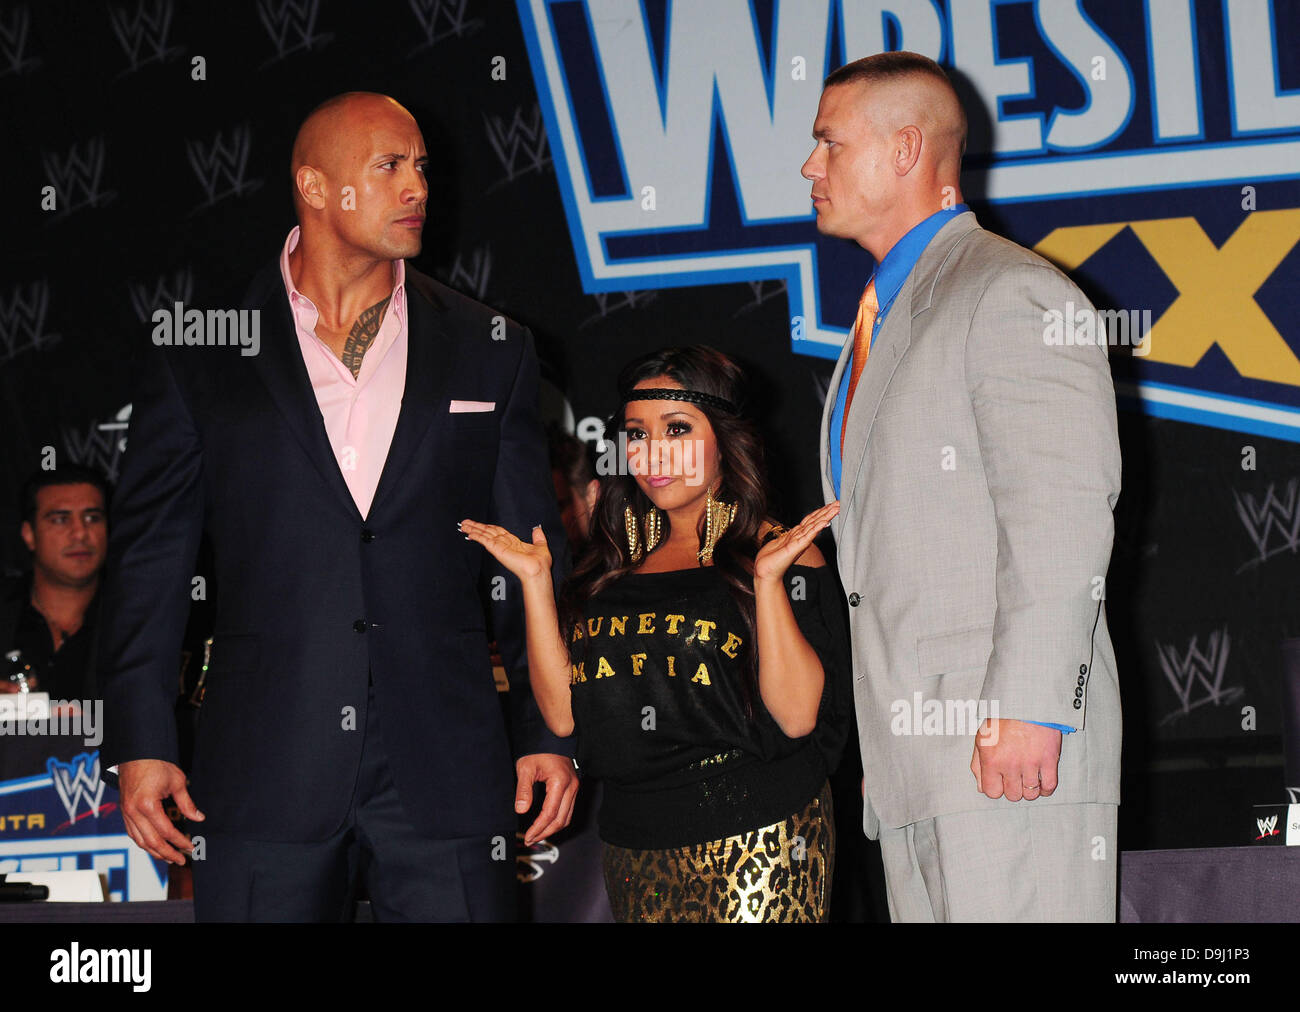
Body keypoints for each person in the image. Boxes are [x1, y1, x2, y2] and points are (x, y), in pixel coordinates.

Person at [97, 92, 577, 922]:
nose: (418, 185)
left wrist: (548, 728)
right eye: (390, 165)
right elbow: (150, 562)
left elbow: (529, 558)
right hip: (263, 766)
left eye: (423, 166)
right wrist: (140, 739)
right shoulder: (203, 346)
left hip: (449, 763)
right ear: (315, 188)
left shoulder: (489, 343)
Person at [802, 52, 1122, 922]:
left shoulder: (1007, 292)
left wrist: (1029, 711)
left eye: (829, 142)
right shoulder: (885, 316)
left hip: (1005, 750)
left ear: (906, 149)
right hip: (919, 768)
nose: (809, 166)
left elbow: (1058, 517)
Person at [462, 346, 852, 922]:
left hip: (757, 840)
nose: (653, 453)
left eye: (677, 428)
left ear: (725, 438)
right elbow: (566, 716)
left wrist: (767, 582)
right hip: (633, 844)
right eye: (637, 435)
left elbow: (797, 718)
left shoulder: (780, 553)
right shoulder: (613, 563)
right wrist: (536, 583)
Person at [2, 466, 109, 705]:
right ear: (29, 534)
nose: (80, 533)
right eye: (61, 519)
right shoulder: (8, 612)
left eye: (93, 518)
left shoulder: (137, 618)